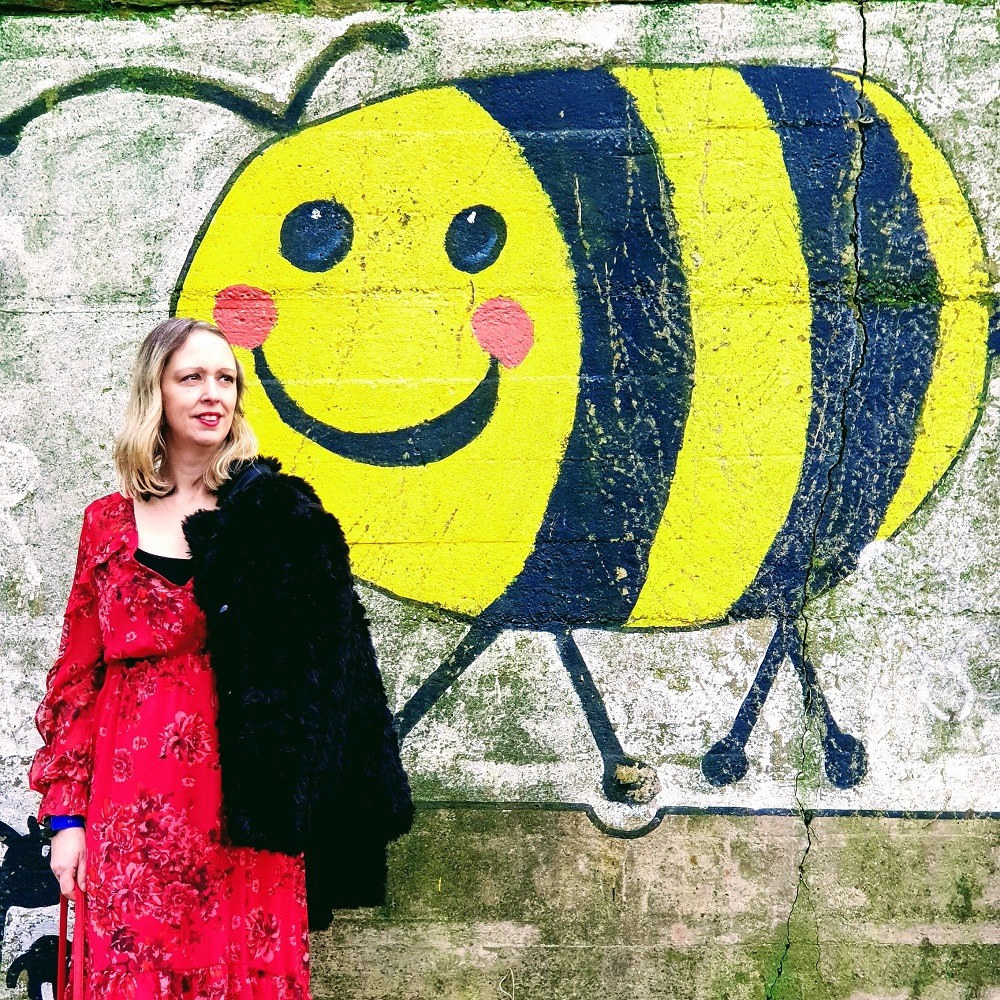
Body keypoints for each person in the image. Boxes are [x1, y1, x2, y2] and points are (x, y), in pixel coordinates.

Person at [29, 317, 412, 999]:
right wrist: (66, 820)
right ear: (156, 395)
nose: (213, 394)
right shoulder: (106, 525)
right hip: (129, 816)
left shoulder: (273, 516)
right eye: (192, 377)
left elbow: (336, 675)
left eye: (226, 379)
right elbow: (75, 682)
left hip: (243, 817)